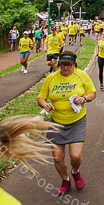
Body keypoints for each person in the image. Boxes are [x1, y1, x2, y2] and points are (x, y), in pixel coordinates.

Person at [37, 51, 97, 195]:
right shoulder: (51, 78)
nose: (65, 68)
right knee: (57, 157)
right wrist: (45, 105)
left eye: (68, 65)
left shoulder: (81, 75)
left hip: (76, 121)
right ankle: (65, 181)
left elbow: (92, 93)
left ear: (74, 65)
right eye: (62, 65)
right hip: (56, 122)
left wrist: (84, 98)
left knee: (75, 156)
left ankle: (75, 172)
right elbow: (41, 98)